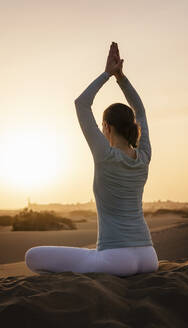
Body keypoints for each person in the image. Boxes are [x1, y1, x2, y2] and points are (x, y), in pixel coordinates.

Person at [25, 41, 158, 277]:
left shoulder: (104, 154)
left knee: (32, 256)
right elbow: (142, 111)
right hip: (149, 256)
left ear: (106, 127)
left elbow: (81, 103)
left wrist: (108, 73)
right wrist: (121, 78)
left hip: (116, 260)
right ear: (132, 127)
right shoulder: (143, 156)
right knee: (86, 253)